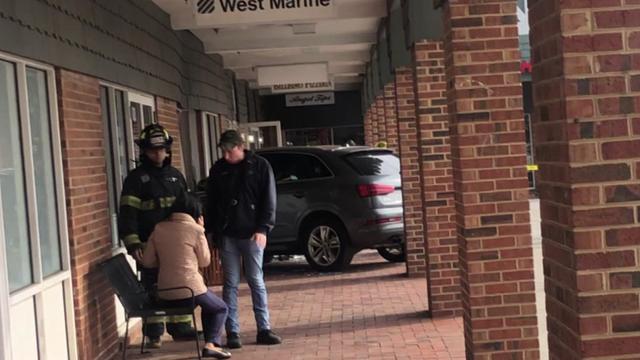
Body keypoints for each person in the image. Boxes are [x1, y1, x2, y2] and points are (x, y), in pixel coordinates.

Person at [117, 123, 196, 348]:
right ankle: (153, 333)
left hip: (176, 246)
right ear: (144, 151)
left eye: (162, 149)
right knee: (152, 287)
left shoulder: (175, 176)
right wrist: (133, 244)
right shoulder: (136, 179)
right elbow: (128, 214)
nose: (158, 154)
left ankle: (181, 327)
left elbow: (187, 206)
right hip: (148, 244)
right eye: (153, 150)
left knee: (179, 282)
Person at [204, 130, 282, 349]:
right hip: (228, 234)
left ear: (240, 146)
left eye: (230, 150)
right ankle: (233, 331)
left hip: (252, 233)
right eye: (224, 151)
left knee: (256, 280)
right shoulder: (218, 170)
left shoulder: (259, 166)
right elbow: (211, 202)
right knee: (230, 284)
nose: (227, 155)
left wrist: (263, 229)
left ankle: (263, 328)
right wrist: (211, 231)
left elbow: (269, 199)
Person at [142, 194, 231, 359]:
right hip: (190, 291)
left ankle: (211, 345)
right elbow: (205, 261)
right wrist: (202, 231)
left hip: (165, 292)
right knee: (220, 308)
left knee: (209, 305)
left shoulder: (159, 228)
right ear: (196, 213)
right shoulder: (196, 230)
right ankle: (211, 344)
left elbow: (147, 261)